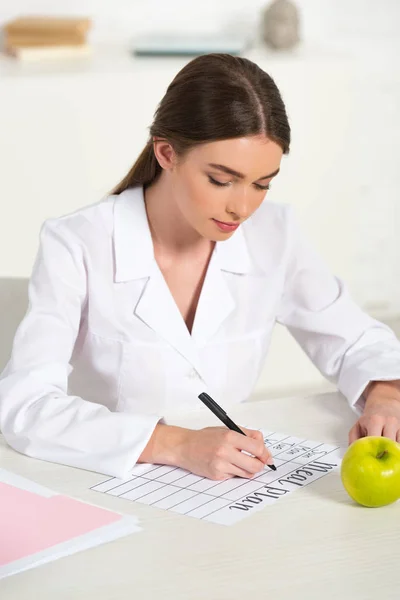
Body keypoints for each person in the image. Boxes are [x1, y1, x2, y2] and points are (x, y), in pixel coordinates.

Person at [1, 53, 400, 482]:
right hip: (103, 485)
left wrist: (385, 396)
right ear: (167, 153)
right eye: (220, 179)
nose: (242, 207)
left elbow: (357, 341)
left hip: (227, 492)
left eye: (262, 184)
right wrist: (176, 444)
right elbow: (26, 406)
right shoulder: (77, 243)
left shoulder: (275, 234)